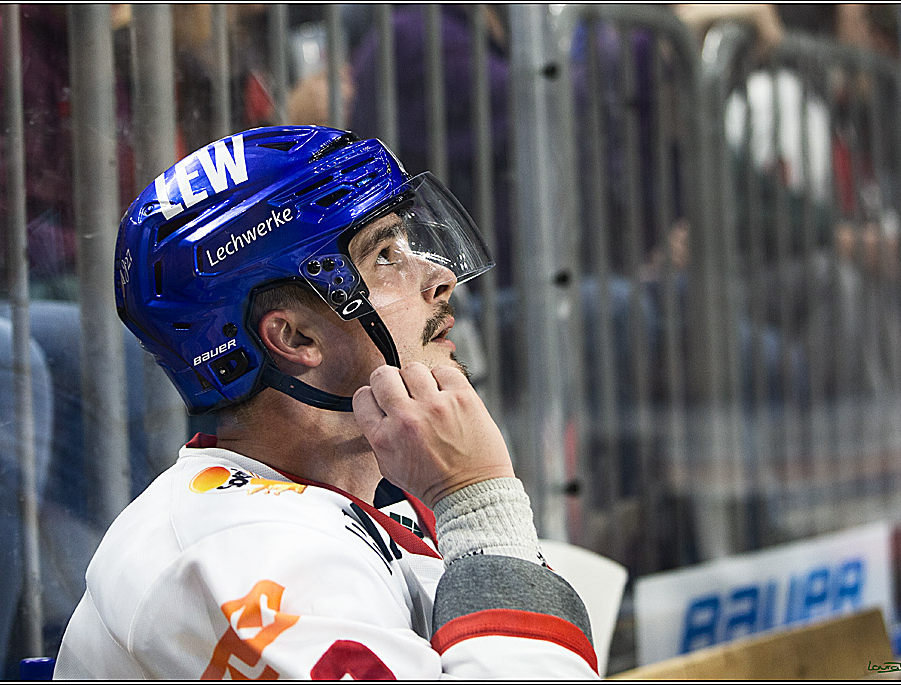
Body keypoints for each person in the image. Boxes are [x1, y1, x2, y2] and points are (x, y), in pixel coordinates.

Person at [53, 126, 599, 679]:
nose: (440, 277)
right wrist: (480, 506)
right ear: (294, 339)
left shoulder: (353, 509)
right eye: (385, 256)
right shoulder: (249, 557)